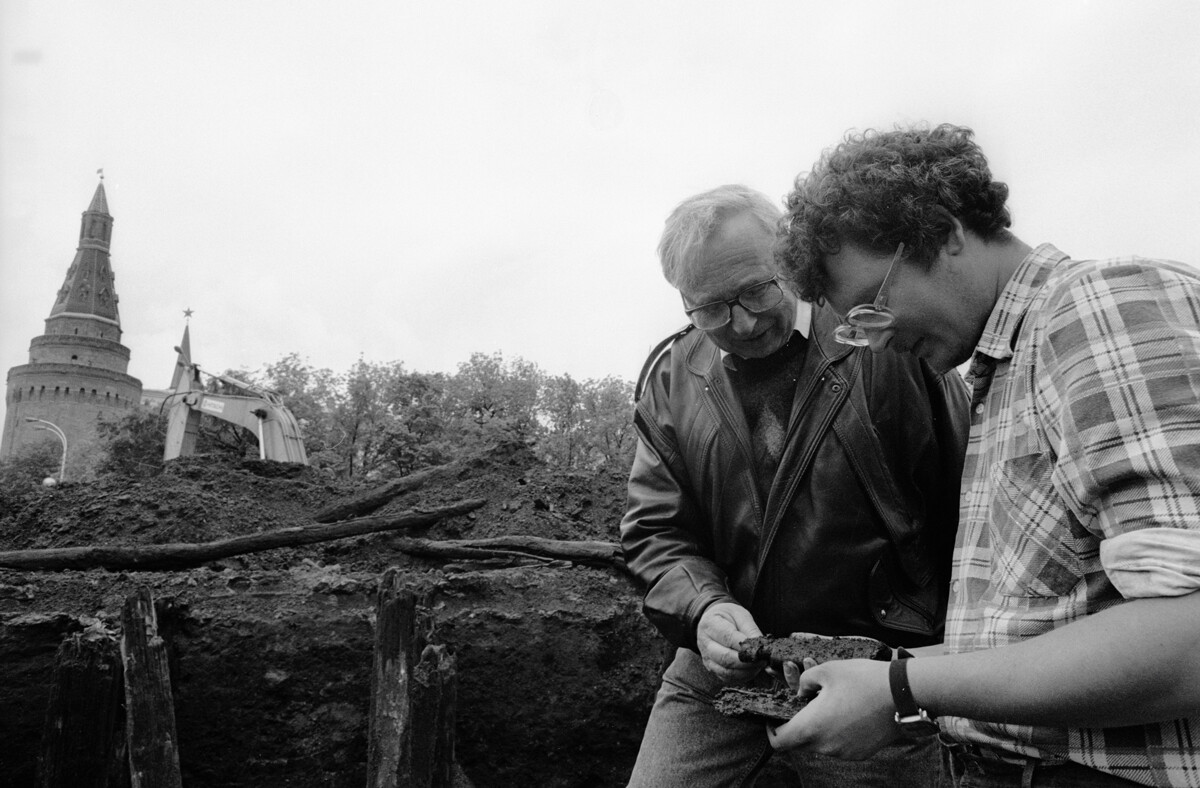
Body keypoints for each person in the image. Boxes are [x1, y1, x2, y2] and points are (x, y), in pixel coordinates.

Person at [769, 123, 1200, 788]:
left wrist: (903, 687)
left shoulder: (1093, 308)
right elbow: (1057, 623)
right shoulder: (999, 376)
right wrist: (877, 669)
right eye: (855, 330)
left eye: (872, 308)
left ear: (944, 230)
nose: (875, 344)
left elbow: (1189, 637)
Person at [620, 184, 969, 787]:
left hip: (870, 669)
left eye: (756, 290)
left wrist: (924, 670)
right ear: (684, 301)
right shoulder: (672, 378)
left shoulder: (892, 344)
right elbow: (656, 531)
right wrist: (705, 609)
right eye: (711, 308)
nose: (743, 322)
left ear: (789, 255)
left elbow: (967, 509)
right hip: (718, 671)